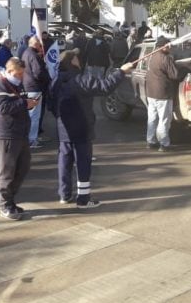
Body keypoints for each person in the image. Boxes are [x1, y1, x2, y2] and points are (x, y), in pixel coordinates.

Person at [50, 49, 134, 208]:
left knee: (64, 161)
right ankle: (83, 199)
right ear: (72, 61)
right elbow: (105, 87)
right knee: (83, 163)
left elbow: (51, 105)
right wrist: (121, 71)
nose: (79, 59)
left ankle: (64, 194)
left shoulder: (55, 81)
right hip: (81, 128)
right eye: (76, 57)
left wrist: (61, 117)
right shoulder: (80, 80)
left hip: (63, 128)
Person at [0, 57, 38, 220]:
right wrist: (25, 104)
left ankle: (9, 199)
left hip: (20, 132)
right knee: (7, 171)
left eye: (22, 74)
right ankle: (4, 203)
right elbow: (2, 107)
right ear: (9, 71)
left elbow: (20, 101)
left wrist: (28, 102)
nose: (21, 77)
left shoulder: (17, 84)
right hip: (7, 134)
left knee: (23, 167)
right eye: (18, 74)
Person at [145, 36, 184, 152]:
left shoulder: (151, 56)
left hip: (151, 93)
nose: (170, 47)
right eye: (169, 45)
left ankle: (151, 141)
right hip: (163, 94)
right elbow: (175, 75)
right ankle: (164, 144)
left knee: (152, 118)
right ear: (163, 46)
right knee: (164, 120)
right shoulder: (166, 58)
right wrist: (183, 69)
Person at [21, 35, 51, 149]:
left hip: (29, 86)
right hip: (34, 87)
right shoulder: (33, 55)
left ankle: (32, 138)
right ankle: (32, 140)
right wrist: (47, 77)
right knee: (34, 115)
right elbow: (38, 73)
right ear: (35, 43)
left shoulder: (26, 53)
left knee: (32, 115)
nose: (40, 46)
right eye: (39, 44)